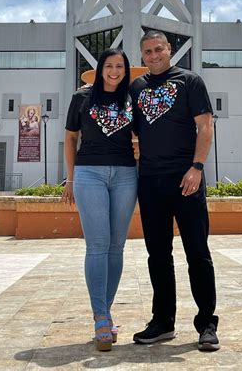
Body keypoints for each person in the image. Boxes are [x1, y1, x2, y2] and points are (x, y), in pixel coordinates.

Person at [130, 30, 219, 352]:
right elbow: (130, 128)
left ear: (169, 49)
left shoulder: (189, 81)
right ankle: (163, 322)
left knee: (197, 253)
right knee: (158, 256)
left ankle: (207, 323)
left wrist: (196, 167)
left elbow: (205, 125)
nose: (154, 55)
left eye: (158, 49)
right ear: (142, 56)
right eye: (148, 52)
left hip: (186, 180)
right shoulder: (136, 88)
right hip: (150, 181)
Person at [63, 48, 137, 351]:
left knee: (116, 246)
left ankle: (104, 313)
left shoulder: (133, 99)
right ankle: (101, 317)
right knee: (97, 245)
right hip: (89, 173)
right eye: (109, 66)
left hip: (125, 175)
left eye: (120, 66)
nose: (114, 71)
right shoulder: (82, 97)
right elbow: (70, 137)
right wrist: (70, 178)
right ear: (100, 68)